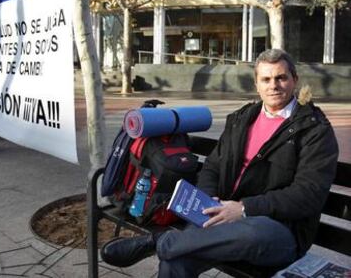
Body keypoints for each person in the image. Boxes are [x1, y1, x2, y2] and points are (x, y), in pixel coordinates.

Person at [101, 49, 339, 277]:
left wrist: (244, 208)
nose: (273, 85)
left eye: (281, 78)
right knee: (177, 260)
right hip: (222, 217)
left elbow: (307, 195)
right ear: (256, 84)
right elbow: (213, 166)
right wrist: (208, 200)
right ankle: (169, 244)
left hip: (278, 231)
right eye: (266, 79)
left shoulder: (314, 129)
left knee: (252, 232)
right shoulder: (241, 119)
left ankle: (161, 241)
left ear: (294, 80)